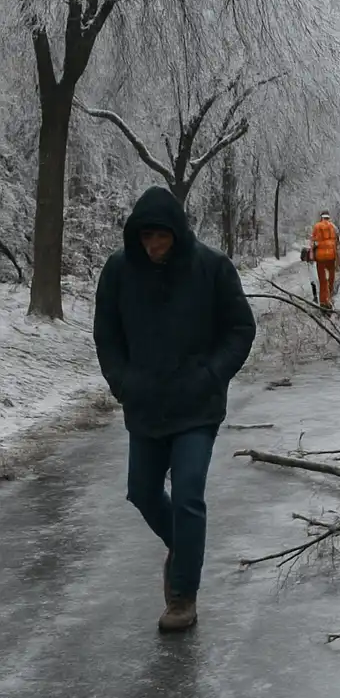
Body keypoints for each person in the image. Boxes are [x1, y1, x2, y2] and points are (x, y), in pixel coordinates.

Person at [93, 186, 257, 633]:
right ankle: (185, 547)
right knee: (142, 492)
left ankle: (183, 596)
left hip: (197, 408)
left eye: (161, 237)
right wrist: (123, 382)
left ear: (177, 234)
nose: (153, 245)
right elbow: (106, 334)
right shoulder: (119, 273)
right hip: (145, 406)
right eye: (146, 238)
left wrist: (210, 374)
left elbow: (241, 329)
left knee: (187, 494)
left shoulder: (212, 269)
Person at [310, 210, 340, 309]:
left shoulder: (316, 227)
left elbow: (313, 243)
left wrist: (311, 254)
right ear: (329, 217)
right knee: (331, 279)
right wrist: (338, 260)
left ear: (321, 217)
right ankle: (329, 299)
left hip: (320, 259)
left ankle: (323, 302)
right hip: (331, 258)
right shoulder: (334, 227)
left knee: (323, 280)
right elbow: (336, 244)